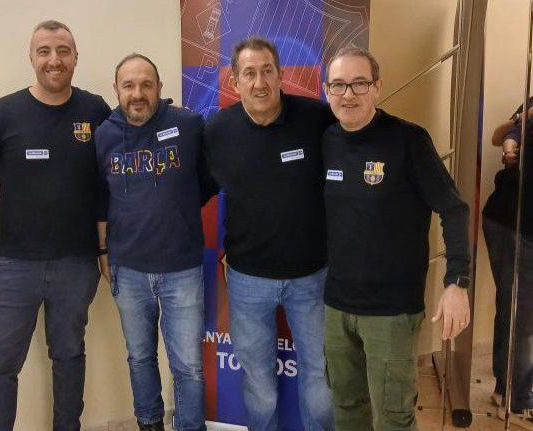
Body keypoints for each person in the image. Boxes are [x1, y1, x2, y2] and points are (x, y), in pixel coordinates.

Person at [0, 20, 111, 431]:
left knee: (69, 358)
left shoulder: (96, 110)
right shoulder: (2, 112)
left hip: (76, 263)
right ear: (31, 57)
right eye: (44, 51)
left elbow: (111, 181)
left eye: (63, 50)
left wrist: (105, 249)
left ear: (76, 57)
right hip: (14, 266)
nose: (54, 60)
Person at [321, 46, 471, 431]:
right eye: (338, 85)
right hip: (336, 306)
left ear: (377, 86)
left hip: (391, 312)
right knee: (346, 407)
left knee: (392, 418)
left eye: (359, 83)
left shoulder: (408, 140)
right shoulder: (327, 141)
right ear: (326, 90)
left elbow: (454, 209)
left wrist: (457, 282)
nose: (348, 94)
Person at [204, 37, 335, 431]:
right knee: (258, 383)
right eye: (249, 74)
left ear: (280, 75)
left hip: (311, 276)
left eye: (267, 71)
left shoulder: (317, 118)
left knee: (320, 375)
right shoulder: (217, 130)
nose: (259, 82)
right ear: (234, 81)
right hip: (247, 280)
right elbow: (192, 189)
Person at [95, 53, 215, 431]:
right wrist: (103, 250)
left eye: (146, 84)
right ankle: (149, 424)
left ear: (160, 88)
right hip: (128, 269)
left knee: (188, 366)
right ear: (116, 90)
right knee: (140, 358)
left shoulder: (189, 124)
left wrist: (177, 207)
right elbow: (100, 197)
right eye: (129, 85)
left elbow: (207, 180)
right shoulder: (104, 136)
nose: (138, 93)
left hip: (182, 268)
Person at [484, 117, 533, 429]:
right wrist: (512, 140)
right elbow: (502, 135)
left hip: (517, 223)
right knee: (520, 313)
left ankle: (508, 390)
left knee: (518, 310)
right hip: (512, 223)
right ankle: (515, 399)